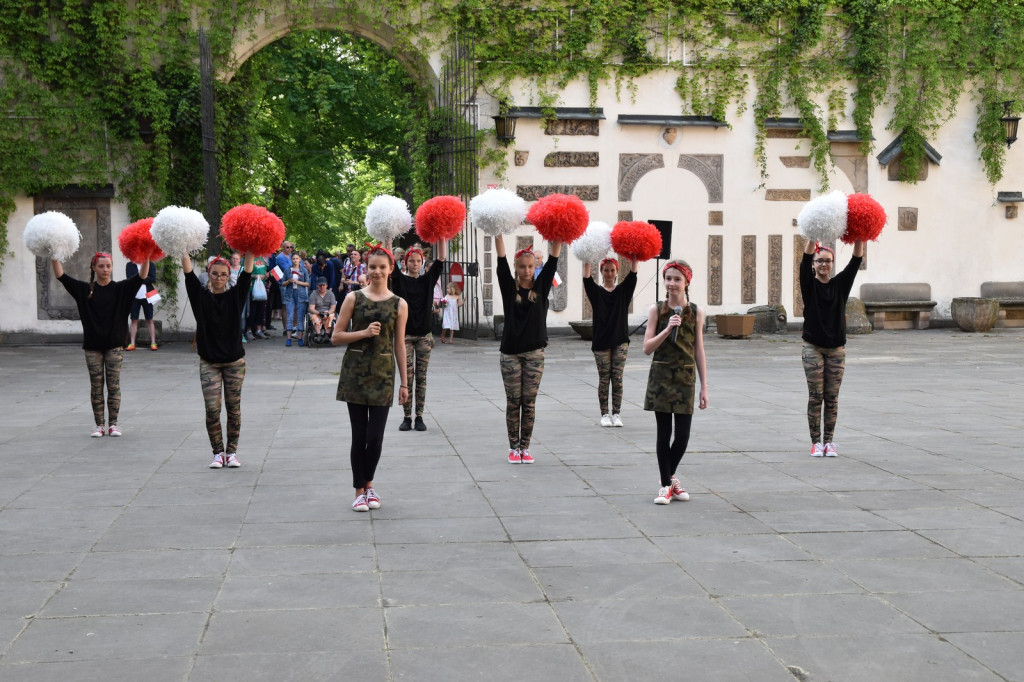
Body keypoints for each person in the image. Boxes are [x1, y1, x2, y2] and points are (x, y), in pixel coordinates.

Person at [332, 244, 409, 512]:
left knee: (375, 438)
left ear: (391, 269)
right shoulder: (354, 298)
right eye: (372, 266)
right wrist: (363, 333)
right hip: (355, 374)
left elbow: (400, 344)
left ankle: (369, 485)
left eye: (382, 267)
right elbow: (336, 336)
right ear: (366, 268)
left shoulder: (400, 304)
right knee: (359, 435)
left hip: (383, 375)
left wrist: (404, 382)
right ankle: (359, 490)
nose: (377, 271)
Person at [53, 252, 149, 437]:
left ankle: (113, 424)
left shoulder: (121, 288)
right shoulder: (84, 290)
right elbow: (61, 276)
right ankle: (99, 425)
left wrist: (146, 255)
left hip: (115, 346)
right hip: (92, 347)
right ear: (93, 268)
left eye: (108, 266)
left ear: (112, 267)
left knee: (113, 386)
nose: (105, 270)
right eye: (101, 266)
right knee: (96, 387)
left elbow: (141, 277)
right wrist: (54, 254)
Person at [642, 260, 708, 505]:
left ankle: (669, 480)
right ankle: (665, 486)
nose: (671, 283)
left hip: (685, 378)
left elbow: (699, 350)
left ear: (687, 282)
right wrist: (666, 330)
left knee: (682, 436)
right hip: (660, 377)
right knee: (663, 433)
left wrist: (704, 387)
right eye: (668, 278)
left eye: (677, 279)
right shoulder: (656, 310)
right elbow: (646, 348)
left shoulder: (696, 312)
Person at [182, 252, 254, 468]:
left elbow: (247, 273)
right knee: (212, 409)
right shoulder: (200, 296)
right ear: (209, 274)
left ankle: (231, 452)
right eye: (215, 274)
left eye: (224, 274)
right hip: (209, 362)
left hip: (234, 362)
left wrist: (250, 245)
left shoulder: (236, 295)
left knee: (234, 409)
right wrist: (182, 245)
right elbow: (188, 273)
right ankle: (217, 452)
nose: (219, 278)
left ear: (229, 275)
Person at [494, 236, 562, 464]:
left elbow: (553, 259)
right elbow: (501, 260)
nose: (526, 270)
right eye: (522, 266)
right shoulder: (507, 287)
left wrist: (558, 235)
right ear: (516, 268)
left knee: (529, 402)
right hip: (510, 354)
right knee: (513, 401)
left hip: (534, 354)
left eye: (531, 266)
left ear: (536, 267)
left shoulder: (541, 286)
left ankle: (526, 447)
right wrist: (497, 234)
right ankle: (513, 447)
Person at [800, 239, 865, 457]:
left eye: (828, 261)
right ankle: (815, 442)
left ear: (833, 263)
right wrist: (813, 235)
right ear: (814, 264)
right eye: (819, 261)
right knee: (816, 395)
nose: (824, 265)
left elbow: (856, 260)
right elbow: (804, 259)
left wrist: (861, 235)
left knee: (832, 396)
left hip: (836, 349)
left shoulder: (840, 285)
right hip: (812, 348)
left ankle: (829, 442)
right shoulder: (809, 284)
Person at [391, 241, 447, 432]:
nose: (415, 264)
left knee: (421, 377)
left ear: (422, 263)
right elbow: (390, 262)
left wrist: (442, 237)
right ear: (405, 263)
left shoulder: (427, 280)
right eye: (412, 261)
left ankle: (419, 416)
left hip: (424, 336)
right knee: (407, 377)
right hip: (405, 336)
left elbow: (441, 260)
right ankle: (407, 416)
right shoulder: (400, 280)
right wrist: (389, 239)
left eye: (418, 261)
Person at [584, 256, 638, 427]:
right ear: (601, 272)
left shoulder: (623, 291)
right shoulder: (596, 292)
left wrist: (635, 256)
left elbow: (633, 275)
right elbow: (586, 279)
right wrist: (587, 257)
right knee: (604, 379)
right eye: (606, 270)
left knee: (618, 378)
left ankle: (616, 413)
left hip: (620, 341)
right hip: (601, 342)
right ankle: (604, 414)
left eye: (612, 270)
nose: (609, 273)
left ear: (616, 272)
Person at [126, 260, 158, 351]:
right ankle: (132, 343)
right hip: (134, 297)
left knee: (150, 319)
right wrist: (144, 278)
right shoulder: (130, 265)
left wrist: (139, 279)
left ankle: (153, 342)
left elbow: (153, 278)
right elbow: (129, 279)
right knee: (134, 320)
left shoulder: (150, 264)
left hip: (148, 296)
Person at [283, 252, 310, 347]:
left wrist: (298, 282)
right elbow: (282, 283)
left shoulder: (304, 270)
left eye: (297, 258)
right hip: (290, 295)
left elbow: (308, 283)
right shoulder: (287, 270)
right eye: (293, 258)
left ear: (300, 260)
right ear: (291, 260)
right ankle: (289, 339)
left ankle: (300, 338)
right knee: (290, 316)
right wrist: (288, 281)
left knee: (300, 317)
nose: (295, 260)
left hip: (301, 295)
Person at [275, 241, 295, 333]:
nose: (290, 249)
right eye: (287, 247)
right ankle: (286, 328)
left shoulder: (291, 256)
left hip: (294, 283)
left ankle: (294, 327)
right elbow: (288, 269)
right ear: (283, 247)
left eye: (291, 247)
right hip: (284, 284)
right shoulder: (280, 257)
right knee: (286, 306)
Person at [246, 255, 269, 339]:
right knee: (251, 310)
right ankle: (249, 330)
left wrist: (266, 275)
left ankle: (258, 330)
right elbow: (245, 273)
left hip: (262, 288)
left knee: (261, 309)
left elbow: (265, 271)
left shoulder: (263, 259)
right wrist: (255, 276)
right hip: (252, 289)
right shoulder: (249, 258)